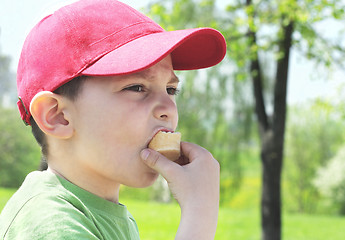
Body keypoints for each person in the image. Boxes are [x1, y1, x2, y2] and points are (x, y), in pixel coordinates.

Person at [0, 0, 226, 239]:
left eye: (171, 90)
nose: (168, 109)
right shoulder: (51, 224)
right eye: (137, 87)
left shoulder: (104, 214)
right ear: (58, 116)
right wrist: (200, 212)